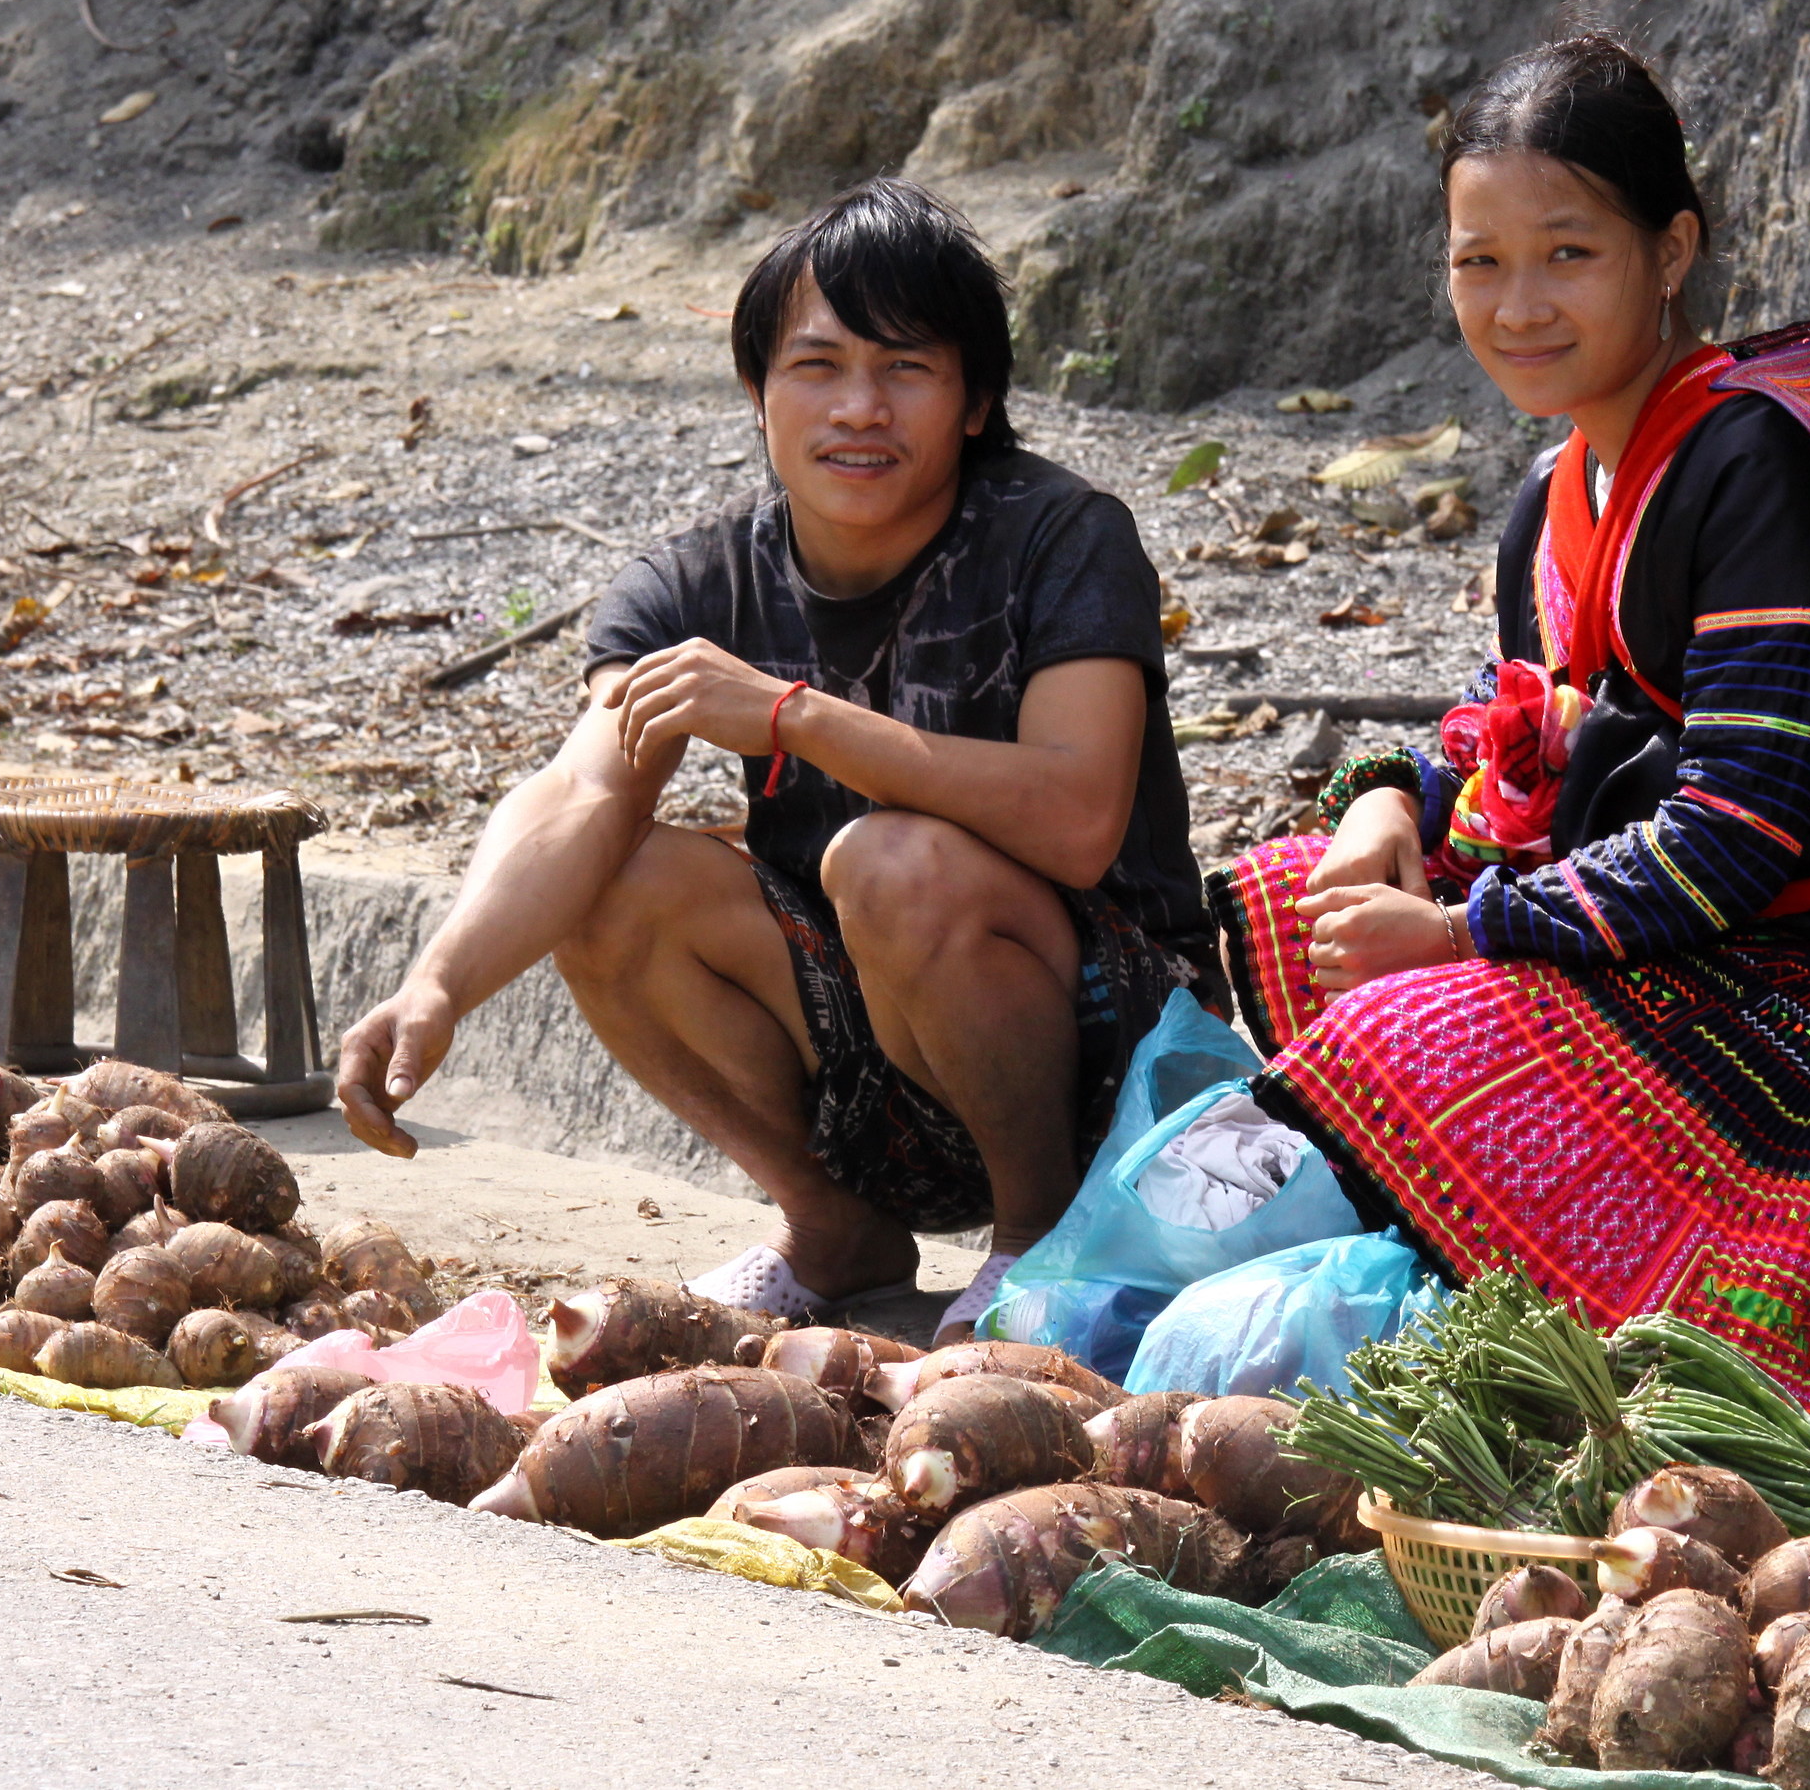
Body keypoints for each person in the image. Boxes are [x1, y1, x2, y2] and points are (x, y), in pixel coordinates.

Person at [1210, 34, 1810, 1459]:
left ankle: (1611, 1344)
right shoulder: (1555, 487)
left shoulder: (1751, 467)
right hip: (1722, 919)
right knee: (1289, 904)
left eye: (1567, 254)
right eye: (1479, 262)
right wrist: (1383, 809)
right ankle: (1407, 1314)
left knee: (1404, 1022)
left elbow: (1735, 833)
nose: (1519, 306)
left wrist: (1462, 935)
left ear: (1672, 249)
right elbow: (1512, 720)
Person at [336, 179, 1212, 1340]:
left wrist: (798, 716)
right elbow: (579, 792)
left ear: (976, 401)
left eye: (906, 368)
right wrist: (439, 983)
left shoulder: (1063, 535)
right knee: (614, 882)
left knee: (888, 860)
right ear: (758, 391)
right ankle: (833, 1227)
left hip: (1125, 1062)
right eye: (818, 366)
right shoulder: (696, 581)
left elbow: (1077, 816)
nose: (860, 407)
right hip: (884, 1065)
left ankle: (1039, 1244)